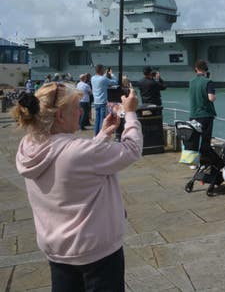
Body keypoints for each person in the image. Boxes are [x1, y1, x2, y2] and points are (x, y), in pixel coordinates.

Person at [12, 81, 142, 291]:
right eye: (76, 107)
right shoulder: (77, 151)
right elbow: (132, 149)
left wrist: (102, 135)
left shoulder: (28, 147)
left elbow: (72, 160)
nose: (81, 110)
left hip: (58, 251)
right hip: (97, 254)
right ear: (60, 116)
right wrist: (130, 114)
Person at [188, 60, 217, 161]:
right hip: (205, 115)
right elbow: (211, 98)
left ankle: (192, 161)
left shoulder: (191, 82)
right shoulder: (208, 82)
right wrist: (214, 95)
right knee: (205, 139)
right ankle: (204, 160)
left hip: (193, 114)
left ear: (196, 69)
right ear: (206, 69)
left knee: (194, 139)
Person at [91, 65, 117, 136]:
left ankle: (95, 134)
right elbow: (115, 82)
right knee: (102, 120)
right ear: (101, 70)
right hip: (103, 101)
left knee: (97, 119)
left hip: (96, 101)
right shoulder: (103, 79)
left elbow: (102, 80)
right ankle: (100, 134)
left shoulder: (92, 78)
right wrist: (112, 74)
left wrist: (105, 74)